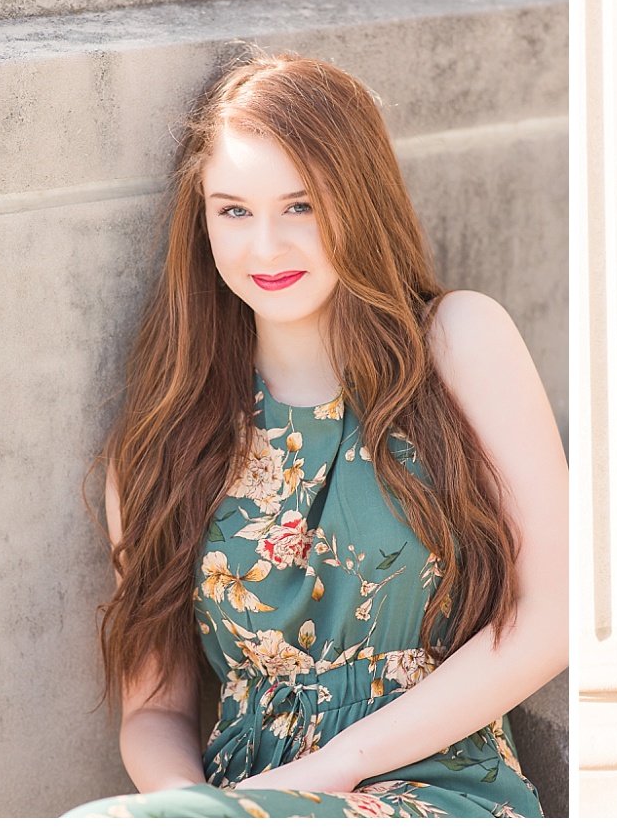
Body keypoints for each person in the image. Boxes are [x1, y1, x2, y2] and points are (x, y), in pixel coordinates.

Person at [64, 53, 569, 817]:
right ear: (199, 223)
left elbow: (554, 614)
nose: (265, 247)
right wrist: (191, 809)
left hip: (433, 791)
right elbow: (154, 710)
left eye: (300, 206)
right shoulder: (160, 446)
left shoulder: (459, 342)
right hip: (243, 802)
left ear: (358, 201)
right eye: (232, 210)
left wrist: (334, 768)